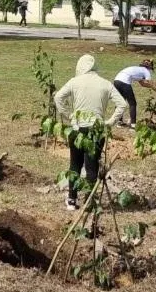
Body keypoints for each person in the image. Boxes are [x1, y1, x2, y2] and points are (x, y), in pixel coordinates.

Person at [54, 55, 126, 211]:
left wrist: (69, 116)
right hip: (96, 131)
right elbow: (122, 104)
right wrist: (109, 122)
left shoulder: (74, 82)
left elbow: (58, 97)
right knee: (92, 168)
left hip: (77, 130)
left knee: (75, 165)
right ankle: (89, 202)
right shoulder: (105, 84)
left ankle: (71, 200)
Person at [112, 60, 156, 128]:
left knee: (121, 102)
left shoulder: (138, 69)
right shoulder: (146, 71)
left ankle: (119, 122)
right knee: (133, 103)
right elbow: (150, 83)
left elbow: (143, 84)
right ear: (150, 67)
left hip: (116, 80)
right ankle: (133, 125)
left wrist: (153, 86)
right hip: (124, 82)